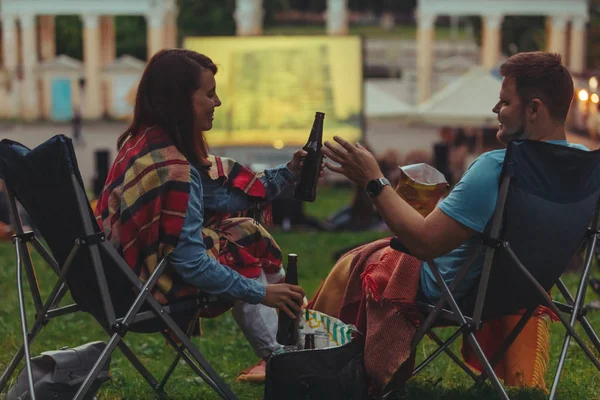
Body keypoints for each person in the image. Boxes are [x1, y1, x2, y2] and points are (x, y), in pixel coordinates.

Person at [318, 51, 588, 393]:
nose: (495, 111)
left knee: (357, 263)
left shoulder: (497, 168)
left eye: (505, 102)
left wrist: (374, 181)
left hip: (456, 291)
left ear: (534, 109)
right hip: (526, 288)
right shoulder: (585, 167)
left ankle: (324, 364)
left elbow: (423, 243)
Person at [94, 49, 316, 382]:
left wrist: (290, 172)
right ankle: (284, 358)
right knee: (239, 249)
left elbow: (223, 194)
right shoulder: (173, 171)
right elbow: (192, 263)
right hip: (145, 290)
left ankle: (291, 343)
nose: (218, 102)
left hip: (113, 279)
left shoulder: (143, 142)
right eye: (210, 94)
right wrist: (262, 293)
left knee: (245, 232)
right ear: (180, 100)